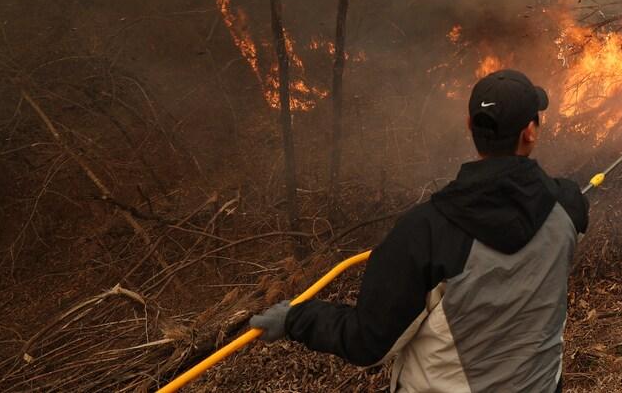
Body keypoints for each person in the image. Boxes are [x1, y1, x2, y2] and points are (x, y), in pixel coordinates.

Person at [250, 69, 589, 392]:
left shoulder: (424, 234)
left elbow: (366, 341)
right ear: (530, 132)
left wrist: (296, 318)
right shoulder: (567, 208)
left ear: (469, 125)